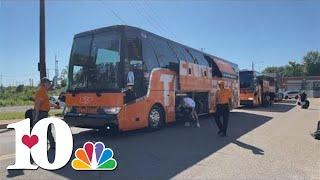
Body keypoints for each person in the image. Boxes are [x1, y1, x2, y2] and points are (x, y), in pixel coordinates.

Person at [33, 77, 59, 149]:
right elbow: (38, 103)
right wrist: (36, 116)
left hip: (43, 113)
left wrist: (55, 105)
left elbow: (46, 102)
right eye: (49, 83)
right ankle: (50, 144)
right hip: (41, 113)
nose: (50, 84)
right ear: (44, 83)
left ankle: (51, 144)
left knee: (46, 129)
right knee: (46, 129)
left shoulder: (43, 91)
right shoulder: (41, 91)